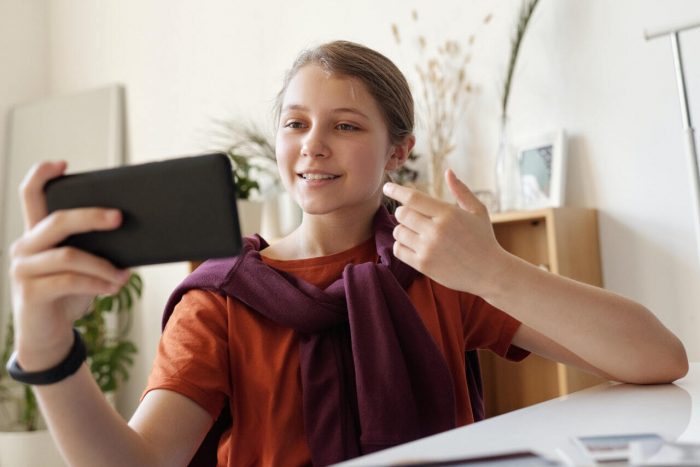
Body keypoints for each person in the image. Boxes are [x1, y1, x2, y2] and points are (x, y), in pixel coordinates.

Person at [7, 40, 688, 467]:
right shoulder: (220, 298)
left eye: (346, 125)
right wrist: (46, 345)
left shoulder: (441, 267)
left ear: (398, 151)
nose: (313, 144)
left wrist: (493, 269)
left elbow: (658, 359)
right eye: (295, 123)